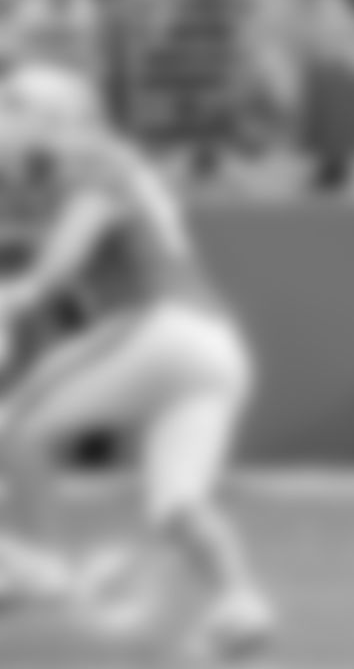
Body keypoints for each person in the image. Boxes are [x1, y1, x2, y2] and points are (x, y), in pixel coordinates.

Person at [0, 63, 273, 659]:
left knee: (13, 424)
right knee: (177, 505)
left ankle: (41, 562)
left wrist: (12, 299)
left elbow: (57, 268)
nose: (6, 128)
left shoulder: (96, 162)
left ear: (51, 117)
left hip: (161, 325)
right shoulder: (91, 167)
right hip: (216, 351)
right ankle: (241, 601)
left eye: (13, 112)